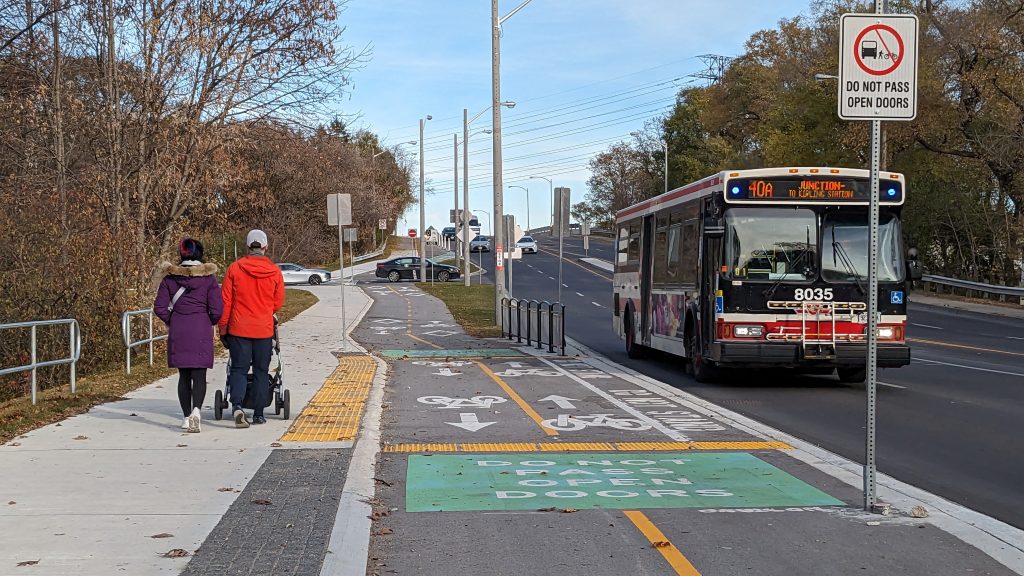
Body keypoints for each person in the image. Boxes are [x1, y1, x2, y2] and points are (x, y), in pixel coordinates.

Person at [154, 238, 223, 433]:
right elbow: (217, 310)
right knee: (199, 374)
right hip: (201, 327)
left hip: (179, 329)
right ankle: (196, 411)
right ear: (200, 254)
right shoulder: (208, 280)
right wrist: (209, 320)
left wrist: (172, 319)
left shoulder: (169, 279)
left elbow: (159, 307)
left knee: (183, 376)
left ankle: (185, 417)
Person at [218, 229, 285, 428]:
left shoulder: (234, 269)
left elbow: (225, 302)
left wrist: (223, 329)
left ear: (248, 246)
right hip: (263, 330)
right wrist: (265, 310)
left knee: (238, 369)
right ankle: (258, 413)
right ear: (265, 247)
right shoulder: (274, 271)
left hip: (239, 329)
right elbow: (278, 301)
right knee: (261, 371)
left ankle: (237, 406)